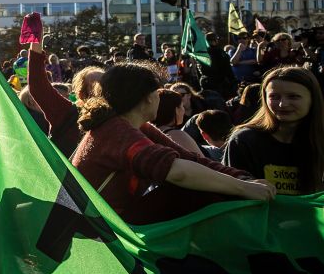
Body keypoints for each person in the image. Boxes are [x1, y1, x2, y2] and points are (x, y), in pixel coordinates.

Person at [72, 62, 274, 225]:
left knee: (205, 185)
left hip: (117, 221)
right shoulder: (115, 131)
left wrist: (244, 179)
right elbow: (177, 171)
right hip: (103, 230)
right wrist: (242, 189)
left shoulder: (136, 126)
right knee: (195, 191)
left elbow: (190, 159)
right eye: (159, 93)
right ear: (148, 98)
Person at [223, 66, 324, 195]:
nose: (283, 104)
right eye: (274, 97)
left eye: (293, 96)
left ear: (312, 99)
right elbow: (233, 194)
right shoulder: (244, 141)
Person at [153, 89, 202, 154]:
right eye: (182, 106)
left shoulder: (149, 132)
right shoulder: (178, 135)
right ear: (176, 110)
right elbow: (203, 161)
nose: (183, 111)